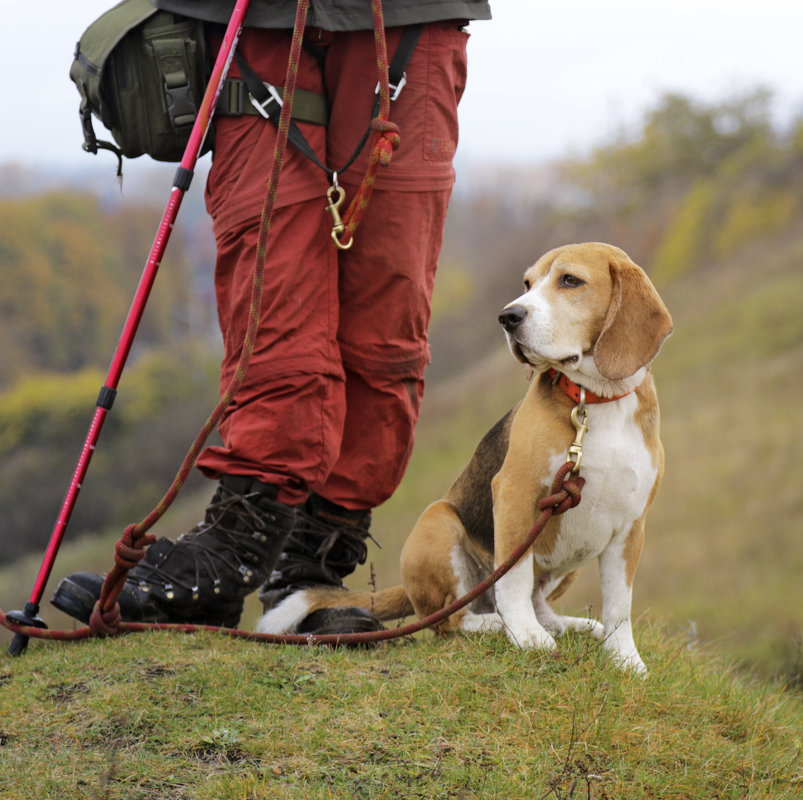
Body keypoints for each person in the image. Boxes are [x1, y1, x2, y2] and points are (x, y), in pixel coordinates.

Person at [51, 0, 491, 635]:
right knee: (271, 289)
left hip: (407, 15)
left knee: (387, 308)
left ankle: (311, 572)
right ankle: (231, 555)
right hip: (255, 20)